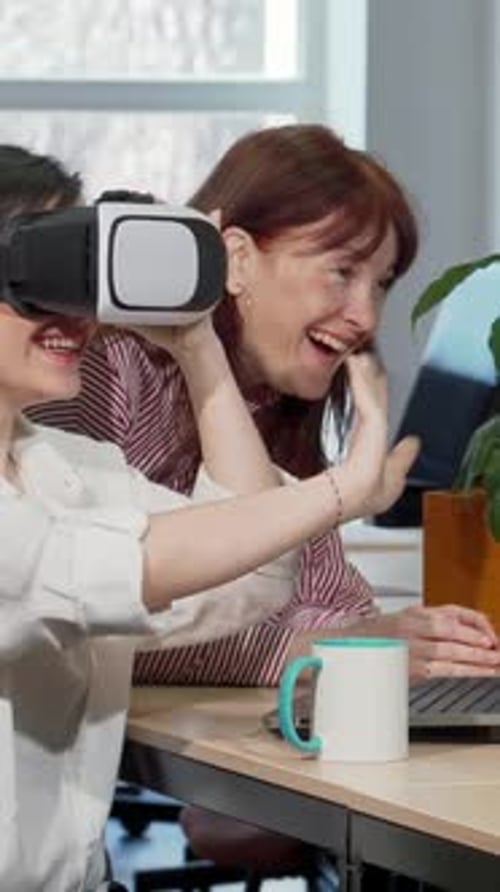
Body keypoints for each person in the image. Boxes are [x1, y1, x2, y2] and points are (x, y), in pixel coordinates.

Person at [31, 125, 500, 878]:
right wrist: (335, 648)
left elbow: (324, 602)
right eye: (342, 272)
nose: (366, 316)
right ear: (238, 259)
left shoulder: (276, 406)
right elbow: (97, 610)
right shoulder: (100, 371)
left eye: (381, 283)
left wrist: (386, 640)